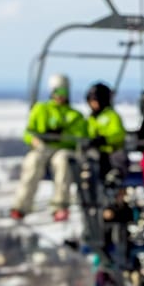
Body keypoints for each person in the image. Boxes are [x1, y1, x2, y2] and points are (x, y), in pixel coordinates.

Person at [11, 73, 87, 221]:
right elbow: (28, 132)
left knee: (63, 163)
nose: (60, 96)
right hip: (43, 147)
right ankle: (21, 206)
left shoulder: (74, 115)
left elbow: (79, 137)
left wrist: (63, 135)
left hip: (64, 149)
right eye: (57, 92)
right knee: (33, 162)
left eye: (63, 92)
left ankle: (60, 206)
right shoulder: (41, 110)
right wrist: (35, 140)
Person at [84, 81, 128, 185]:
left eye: (95, 100)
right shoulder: (90, 119)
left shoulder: (111, 116)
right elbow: (84, 134)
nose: (93, 103)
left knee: (119, 157)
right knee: (91, 157)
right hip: (96, 155)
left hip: (111, 152)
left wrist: (105, 139)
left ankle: (115, 176)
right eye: (91, 100)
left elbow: (118, 133)